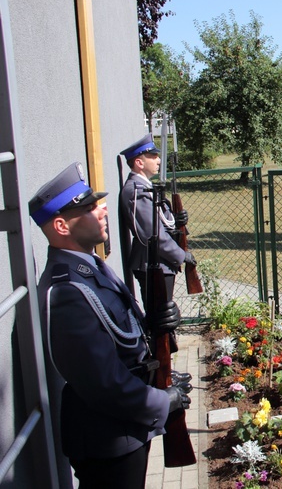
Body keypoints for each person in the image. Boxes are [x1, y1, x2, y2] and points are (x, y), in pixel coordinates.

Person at [29, 162, 191, 488]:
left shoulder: (89, 268)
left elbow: (120, 333)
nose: (101, 210)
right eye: (89, 208)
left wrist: (153, 324)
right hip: (107, 437)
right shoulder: (66, 291)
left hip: (124, 428)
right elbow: (103, 382)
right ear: (61, 225)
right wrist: (163, 401)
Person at [119, 133, 196, 304]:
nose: (159, 161)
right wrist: (181, 255)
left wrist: (176, 220)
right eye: (153, 157)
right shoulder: (136, 191)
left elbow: (160, 220)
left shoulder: (144, 187)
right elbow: (152, 234)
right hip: (152, 262)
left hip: (161, 261)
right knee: (160, 320)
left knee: (164, 318)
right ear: (139, 163)